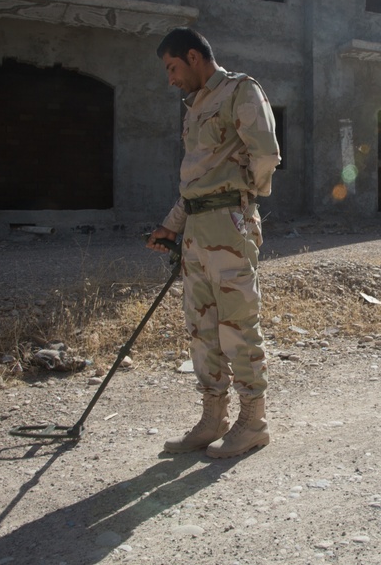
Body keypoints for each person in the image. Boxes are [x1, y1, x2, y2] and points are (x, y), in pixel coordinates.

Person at [147, 27, 280, 459]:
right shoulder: (195, 108)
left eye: (172, 68)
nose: (170, 79)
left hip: (228, 223)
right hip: (197, 229)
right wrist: (172, 225)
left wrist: (241, 200)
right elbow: (195, 179)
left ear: (193, 56)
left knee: (238, 323)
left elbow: (266, 154)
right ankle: (213, 418)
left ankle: (253, 422)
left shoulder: (241, 90)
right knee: (201, 327)